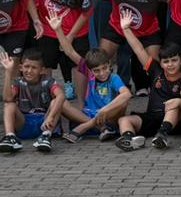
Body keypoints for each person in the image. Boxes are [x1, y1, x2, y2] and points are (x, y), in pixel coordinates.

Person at [48, 14, 133, 144]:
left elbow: (126, 94)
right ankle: (100, 128)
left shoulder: (114, 78)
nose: (102, 73)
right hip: (88, 116)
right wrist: (58, 29)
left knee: (123, 101)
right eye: (96, 70)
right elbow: (69, 51)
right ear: (90, 70)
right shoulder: (89, 73)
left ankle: (84, 128)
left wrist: (106, 109)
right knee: (60, 103)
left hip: (108, 117)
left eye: (104, 68)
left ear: (109, 64)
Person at [113, 11, 181, 151]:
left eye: (174, 60)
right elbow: (138, 49)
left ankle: (162, 135)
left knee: (174, 105)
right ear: (161, 63)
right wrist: (126, 29)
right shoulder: (155, 71)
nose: (170, 64)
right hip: (152, 117)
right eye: (166, 61)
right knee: (123, 120)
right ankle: (129, 139)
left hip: (174, 122)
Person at [0, 49, 64, 155]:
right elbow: (7, 98)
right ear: (21, 68)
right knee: (9, 105)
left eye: (34, 68)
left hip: (44, 123)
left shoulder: (48, 81)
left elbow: (61, 96)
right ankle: (10, 137)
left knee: (56, 101)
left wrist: (50, 117)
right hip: (24, 123)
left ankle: (45, 136)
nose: (29, 71)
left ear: (42, 70)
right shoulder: (18, 82)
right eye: (26, 67)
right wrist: (8, 72)